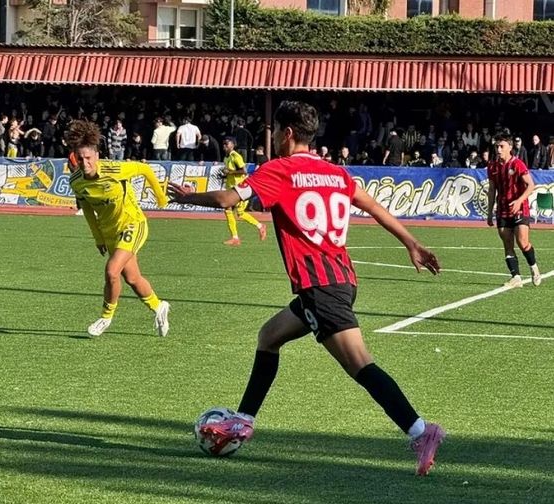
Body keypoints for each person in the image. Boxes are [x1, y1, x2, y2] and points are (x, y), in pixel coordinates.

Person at [168, 101, 445, 476]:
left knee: (361, 366)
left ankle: (420, 431)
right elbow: (373, 206)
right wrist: (411, 243)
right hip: (341, 280)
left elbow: (227, 200)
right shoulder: (335, 172)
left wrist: (187, 197)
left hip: (321, 287)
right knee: (268, 336)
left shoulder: (279, 170)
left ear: (287, 134)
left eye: (275, 134)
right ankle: (244, 419)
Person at [66, 119, 171, 338]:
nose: (85, 163)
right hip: (110, 232)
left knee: (111, 271)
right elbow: (86, 210)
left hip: (133, 223)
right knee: (133, 279)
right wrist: (98, 238)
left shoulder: (114, 169)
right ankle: (159, 306)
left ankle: (105, 317)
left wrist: (161, 197)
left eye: (89, 158)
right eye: (80, 158)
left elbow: (143, 169)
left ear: (97, 156)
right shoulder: (76, 181)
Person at [486, 134, 542, 287]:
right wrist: (489, 212)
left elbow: (531, 185)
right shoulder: (492, 167)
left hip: (519, 208)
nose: (498, 149)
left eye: (502, 146)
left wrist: (519, 200)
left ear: (510, 147)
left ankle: (534, 268)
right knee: (507, 244)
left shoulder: (517, 164)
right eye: (497, 146)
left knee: (523, 242)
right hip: (502, 210)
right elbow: (492, 190)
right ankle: (516, 277)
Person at [220, 137, 266, 246]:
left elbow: (244, 171)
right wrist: (225, 175)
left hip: (240, 189)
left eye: (226, 144)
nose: (224, 146)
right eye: (223, 144)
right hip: (231, 188)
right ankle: (236, 237)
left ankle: (256, 227)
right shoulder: (226, 158)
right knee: (230, 211)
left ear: (233, 144)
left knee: (236, 212)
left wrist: (230, 172)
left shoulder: (236, 156)